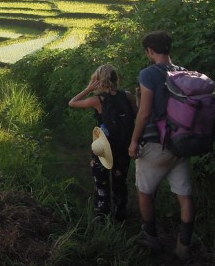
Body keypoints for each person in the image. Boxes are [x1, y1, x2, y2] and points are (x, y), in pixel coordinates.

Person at [129, 30, 194, 260]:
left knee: (145, 192)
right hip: (181, 144)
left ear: (150, 51)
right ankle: (184, 245)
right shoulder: (183, 71)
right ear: (169, 48)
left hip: (156, 145)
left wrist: (134, 141)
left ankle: (151, 237)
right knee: (184, 196)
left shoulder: (149, 73)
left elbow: (145, 113)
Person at [69, 64, 136, 222]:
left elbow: (72, 103)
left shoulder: (97, 100)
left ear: (97, 80)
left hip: (104, 145)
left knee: (101, 179)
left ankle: (103, 212)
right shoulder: (127, 96)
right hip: (123, 144)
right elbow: (137, 115)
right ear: (115, 78)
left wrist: (87, 89)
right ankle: (120, 212)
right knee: (120, 179)